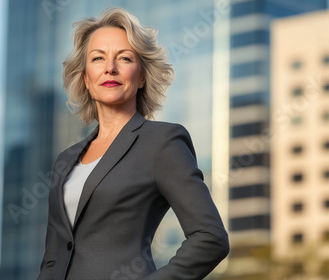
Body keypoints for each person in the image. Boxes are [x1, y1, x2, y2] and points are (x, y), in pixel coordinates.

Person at [37, 7, 229, 280]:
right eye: (98, 58)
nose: (110, 68)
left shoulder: (162, 142)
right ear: (86, 79)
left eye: (124, 58)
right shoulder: (65, 160)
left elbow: (211, 238)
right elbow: (53, 258)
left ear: (141, 77)